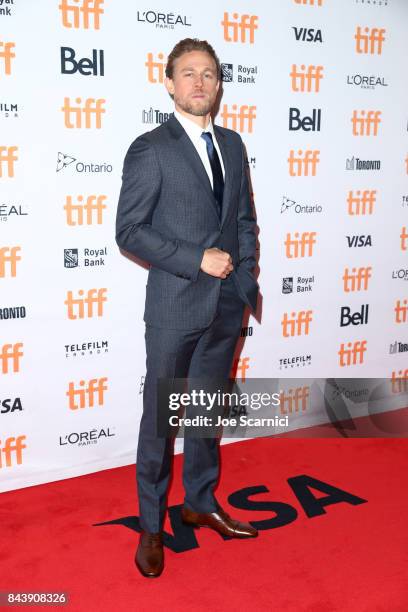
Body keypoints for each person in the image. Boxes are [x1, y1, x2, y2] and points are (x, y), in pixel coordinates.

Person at [116, 38, 259, 578]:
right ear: (170, 83)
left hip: (226, 307)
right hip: (175, 307)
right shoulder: (150, 148)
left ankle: (200, 502)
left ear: (219, 84)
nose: (200, 82)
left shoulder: (234, 143)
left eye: (209, 73)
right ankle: (151, 526)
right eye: (188, 73)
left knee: (205, 415)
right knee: (161, 420)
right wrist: (197, 259)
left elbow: (243, 220)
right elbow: (129, 231)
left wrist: (243, 274)